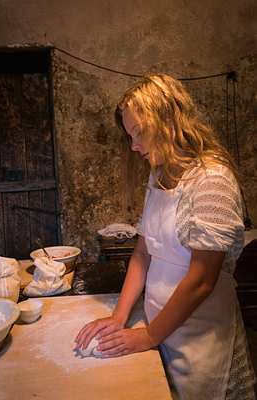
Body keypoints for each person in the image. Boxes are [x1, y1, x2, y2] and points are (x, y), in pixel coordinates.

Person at [75, 74, 256, 399]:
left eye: (139, 132)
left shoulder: (212, 180)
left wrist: (147, 336)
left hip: (201, 335)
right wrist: (120, 315)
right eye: (130, 135)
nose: (133, 146)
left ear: (170, 116)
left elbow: (202, 280)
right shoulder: (159, 175)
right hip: (160, 326)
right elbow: (143, 253)